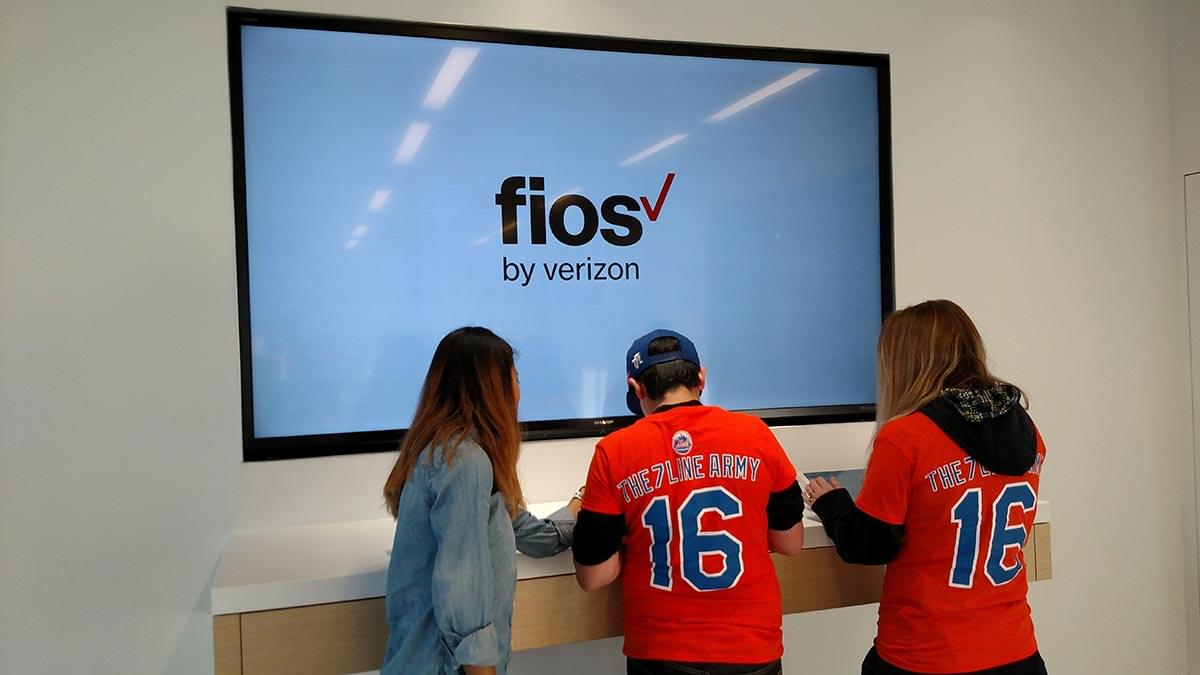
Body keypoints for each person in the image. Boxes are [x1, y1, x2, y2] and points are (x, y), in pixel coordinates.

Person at [806, 300, 1048, 675]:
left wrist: (831, 501)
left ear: (902, 363)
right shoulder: (1028, 433)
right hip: (1017, 654)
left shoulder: (905, 438)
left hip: (926, 655)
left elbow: (868, 545)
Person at [572, 328, 807, 675]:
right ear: (701, 378)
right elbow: (790, 543)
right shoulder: (756, 434)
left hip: (663, 652)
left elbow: (594, 576)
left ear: (636, 389)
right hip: (753, 649)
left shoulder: (614, 451)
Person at [380, 327, 576, 675]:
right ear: (492, 390)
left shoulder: (446, 452)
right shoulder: (465, 463)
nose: (519, 392)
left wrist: (578, 506)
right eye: (515, 379)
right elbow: (461, 586)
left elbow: (524, 531)